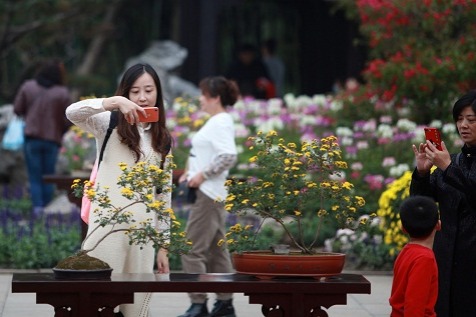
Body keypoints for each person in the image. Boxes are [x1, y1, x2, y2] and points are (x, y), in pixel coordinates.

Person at [65, 63, 172, 317]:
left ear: (158, 92)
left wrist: (164, 246)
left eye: (149, 89)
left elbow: (163, 195)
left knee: (136, 308)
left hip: (143, 235)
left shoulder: (162, 139)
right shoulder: (108, 124)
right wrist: (113, 103)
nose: (143, 97)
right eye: (135, 91)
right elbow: (72, 112)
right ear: (126, 93)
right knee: (97, 301)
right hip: (106, 228)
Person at [410, 90, 476, 317]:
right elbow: (422, 205)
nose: (463, 125)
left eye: (471, 119)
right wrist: (421, 173)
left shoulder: (449, 164)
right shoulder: (454, 160)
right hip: (445, 257)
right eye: (460, 119)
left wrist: (448, 168)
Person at [178, 76, 239, 317]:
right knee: (216, 250)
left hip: (208, 194)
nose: (200, 99)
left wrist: (202, 175)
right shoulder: (218, 121)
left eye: (204, 95)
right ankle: (224, 304)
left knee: (191, 249)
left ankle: (198, 304)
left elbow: (228, 156)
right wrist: (189, 173)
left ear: (215, 97)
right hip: (210, 193)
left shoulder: (220, 121)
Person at [13, 59, 72, 215]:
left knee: (34, 175)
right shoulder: (62, 93)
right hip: (52, 140)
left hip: (32, 138)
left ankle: (37, 209)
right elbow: (69, 118)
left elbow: (17, 109)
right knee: (48, 175)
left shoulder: (28, 86)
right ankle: (48, 208)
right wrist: (61, 130)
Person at [389, 195, 440, 317]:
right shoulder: (424, 259)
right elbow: (414, 306)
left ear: (403, 228)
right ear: (438, 224)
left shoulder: (406, 252)